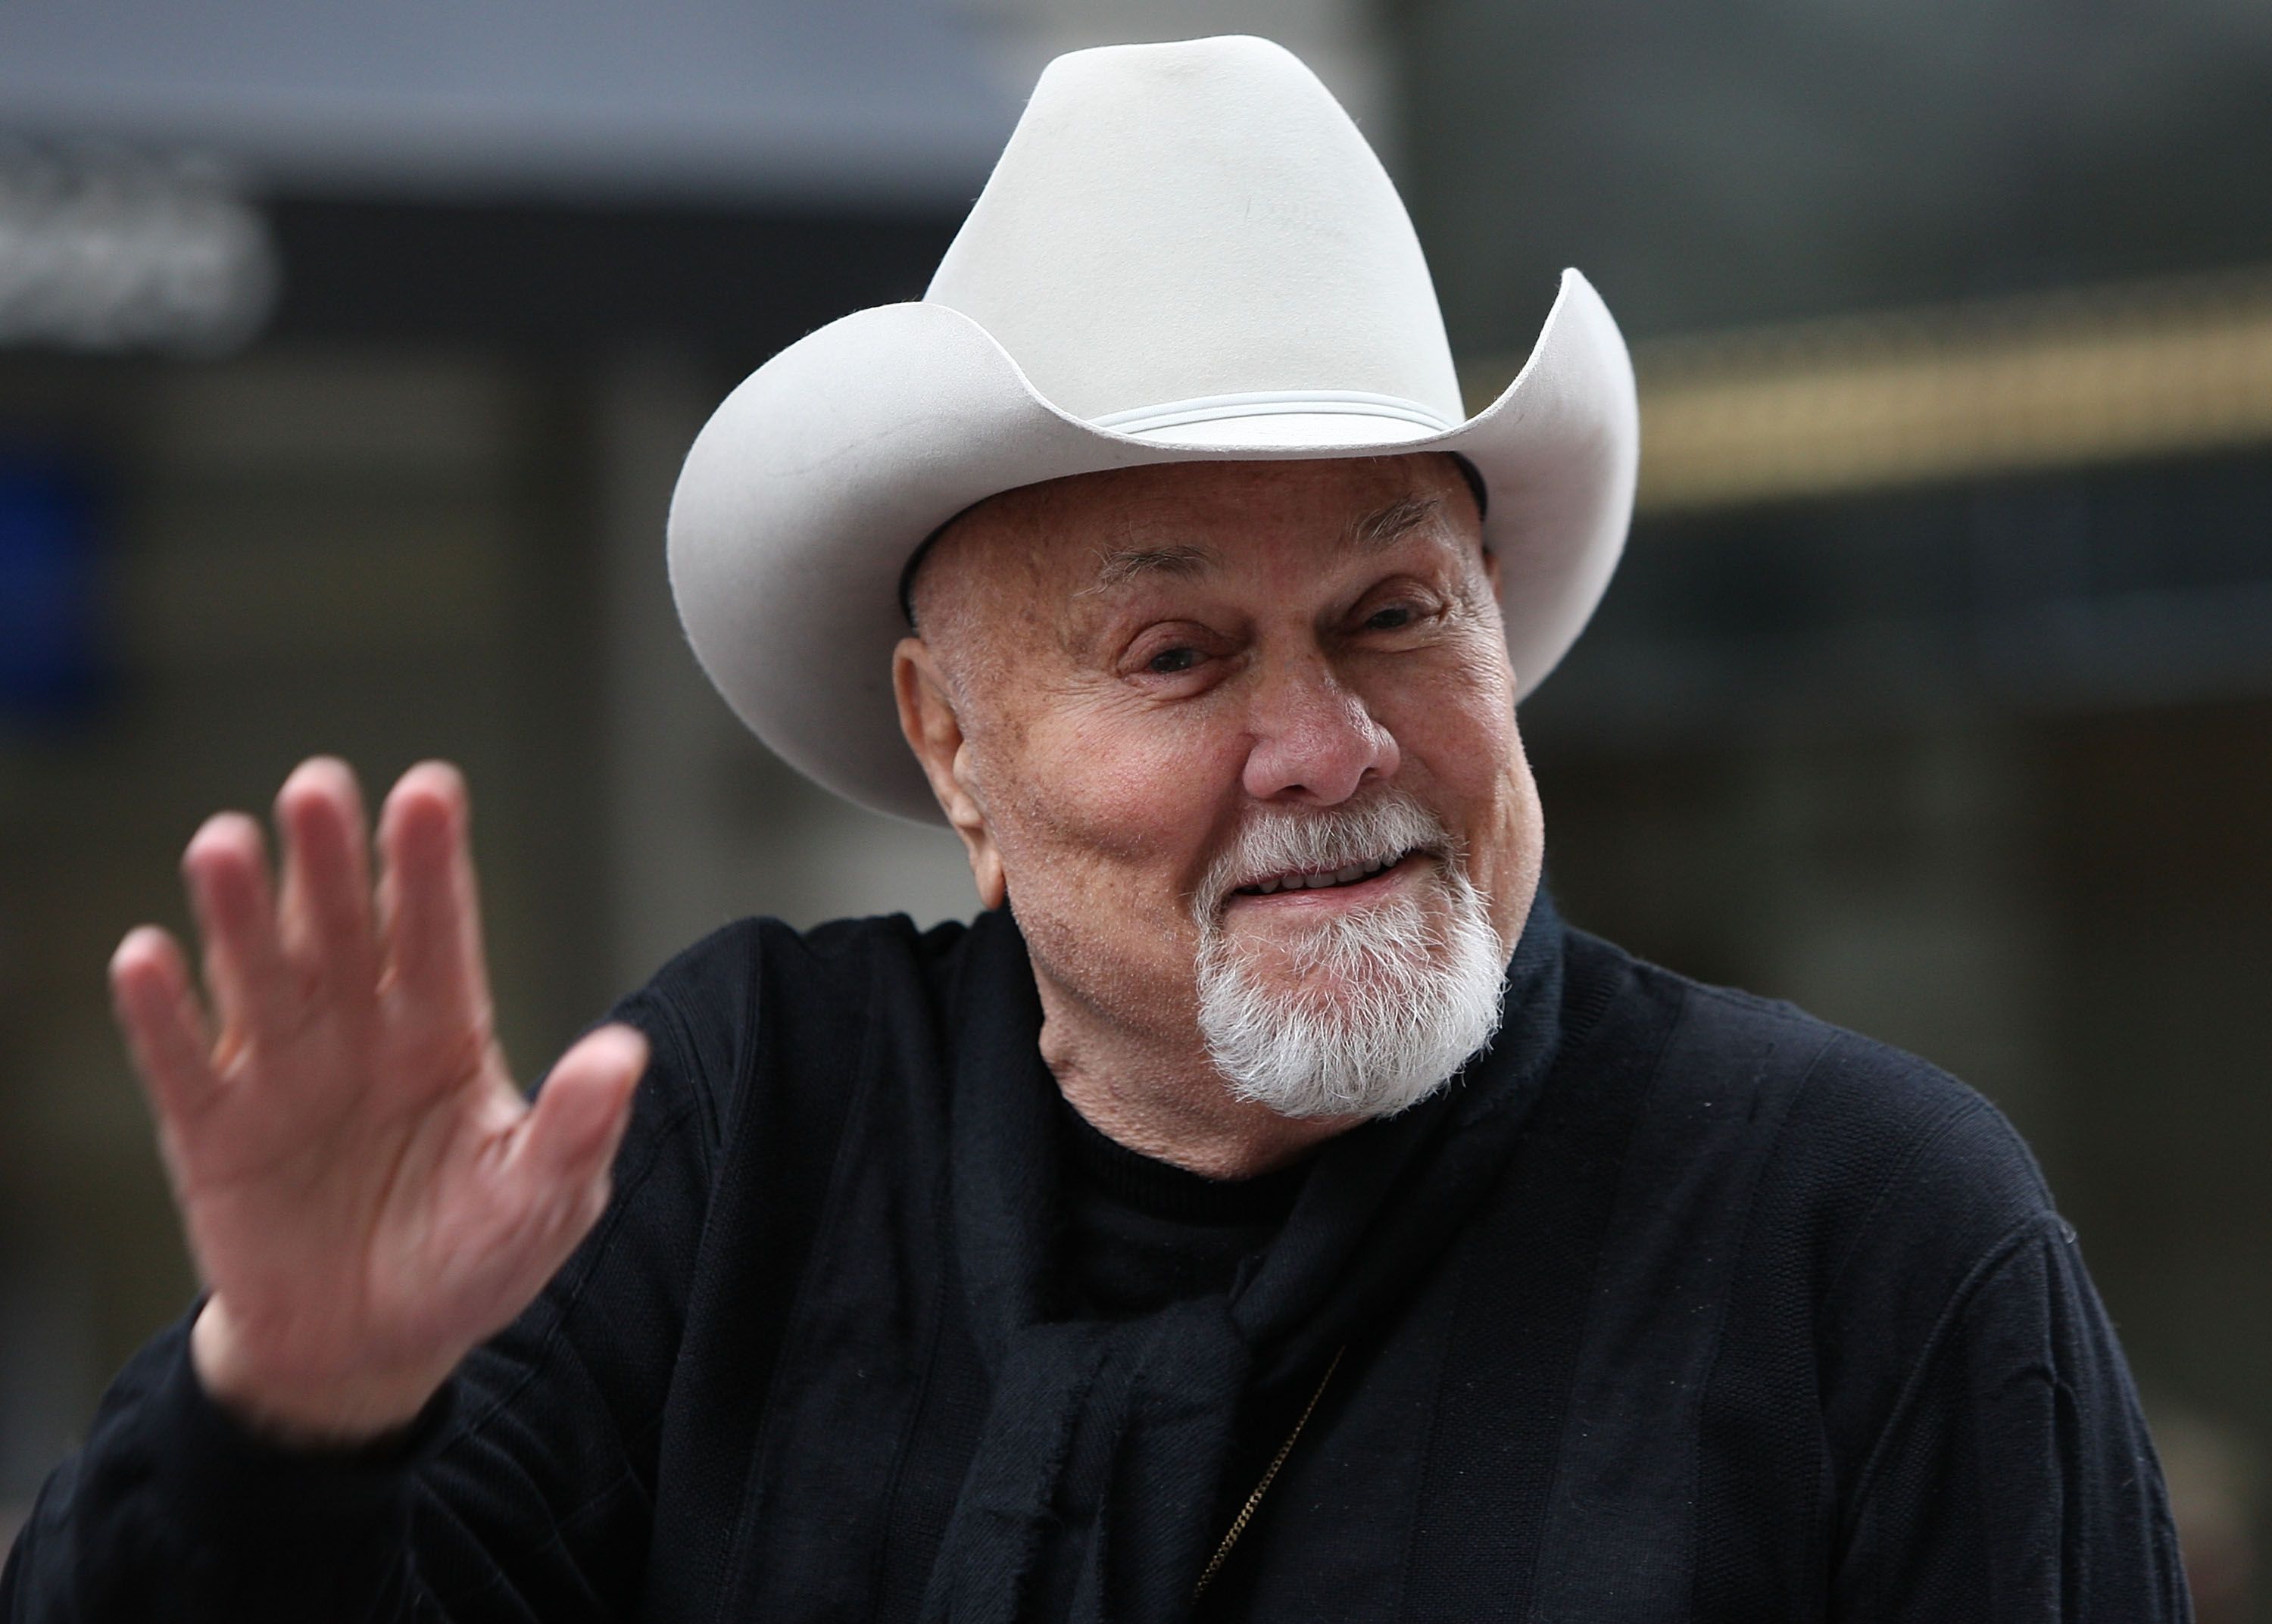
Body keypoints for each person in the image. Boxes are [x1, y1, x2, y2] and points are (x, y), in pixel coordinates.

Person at [3, 35, 2187, 1624]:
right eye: (1178, 656)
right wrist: (292, 1410)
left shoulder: (1866, 1240)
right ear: (952, 750)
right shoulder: (738, 1138)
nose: (1325, 741)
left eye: (1393, 613)